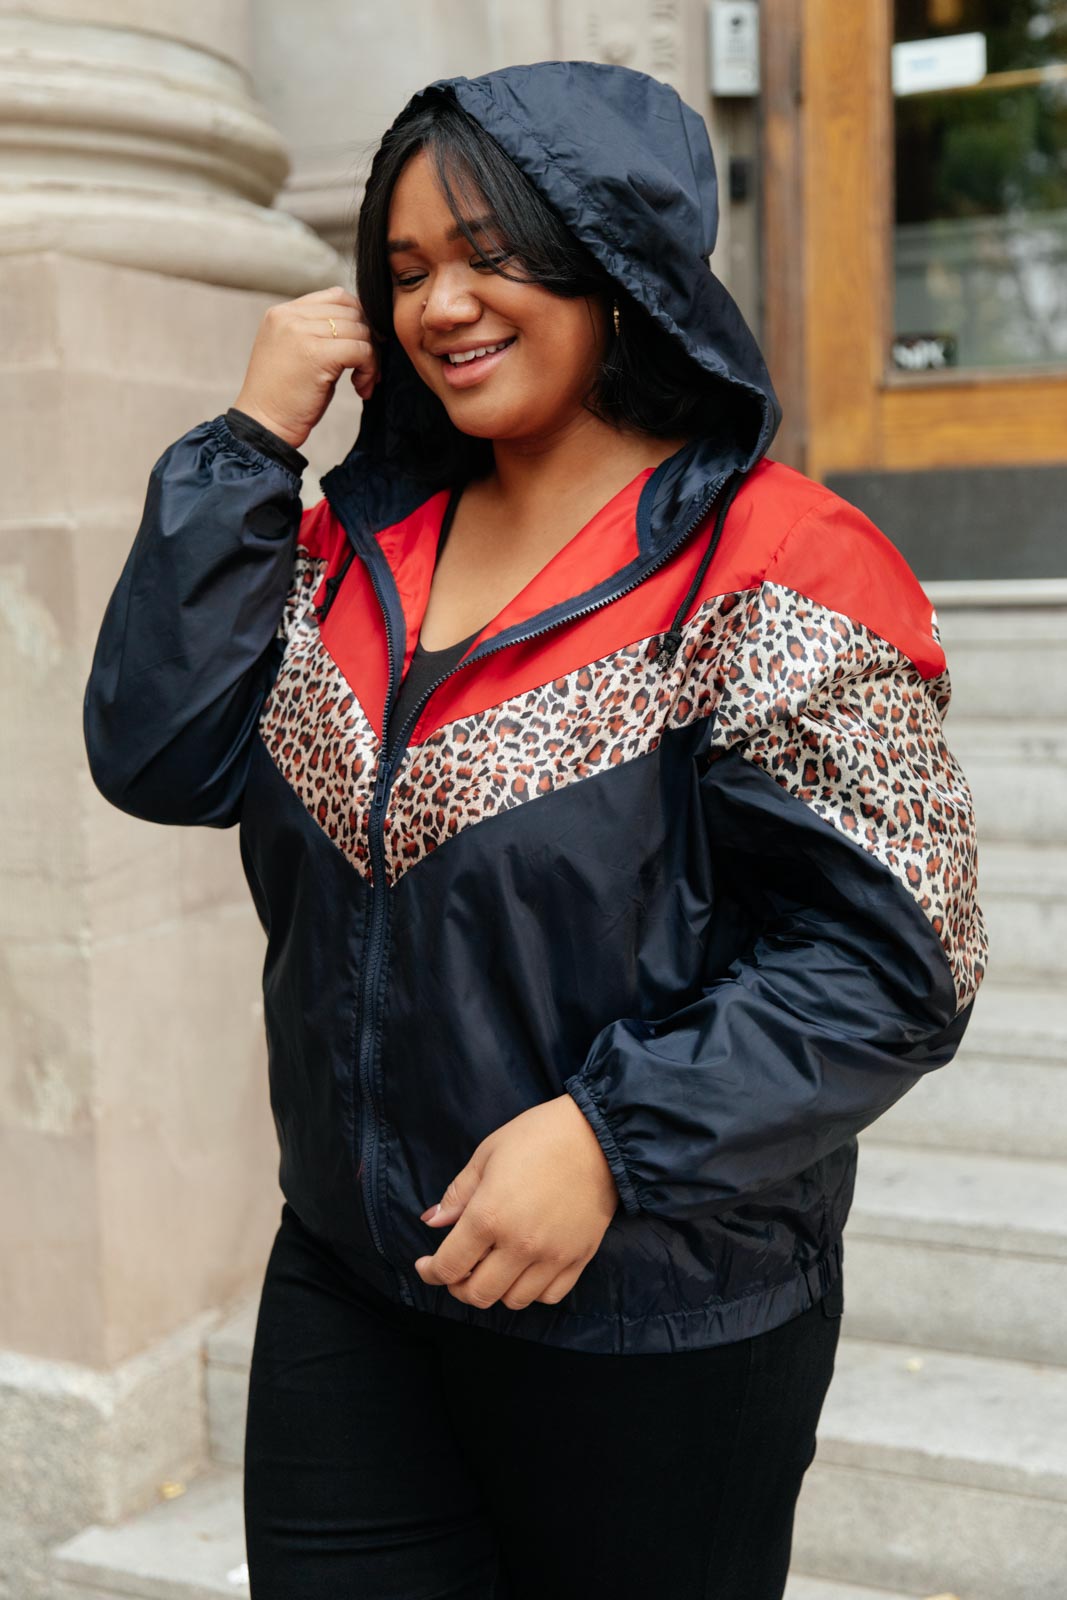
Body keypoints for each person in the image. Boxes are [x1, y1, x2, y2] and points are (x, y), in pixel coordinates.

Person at [83, 60, 988, 1600]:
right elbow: (161, 752)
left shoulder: (779, 566)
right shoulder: (350, 546)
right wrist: (248, 444)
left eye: (493, 254)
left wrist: (611, 1141)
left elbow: (902, 963)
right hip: (353, 1281)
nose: (442, 305)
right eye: (406, 269)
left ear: (614, 265)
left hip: (658, 1320)